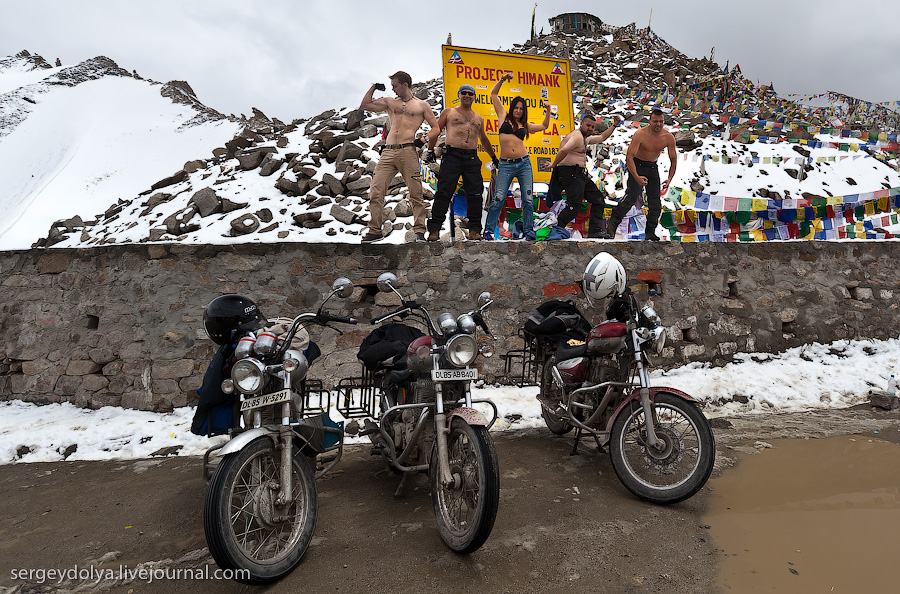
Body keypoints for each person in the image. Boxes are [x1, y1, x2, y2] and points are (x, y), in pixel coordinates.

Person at [359, 71, 438, 243]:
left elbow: (436, 128)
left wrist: (423, 139)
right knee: (376, 190)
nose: (392, 89)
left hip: (408, 150)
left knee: (415, 193)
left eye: (395, 85)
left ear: (405, 85)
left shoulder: (421, 105)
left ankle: (419, 232)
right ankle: (375, 230)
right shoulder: (390, 102)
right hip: (388, 151)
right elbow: (364, 105)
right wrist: (373, 88)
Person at [424, 84, 499, 241]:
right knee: (444, 192)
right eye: (464, 93)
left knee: (475, 195)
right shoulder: (449, 112)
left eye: (470, 93)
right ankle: (434, 230)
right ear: (459, 95)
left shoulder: (478, 118)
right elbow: (436, 131)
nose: (467, 95)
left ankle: (474, 230)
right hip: (452, 155)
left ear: (474, 97)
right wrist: (430, 150)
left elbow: (484, 139)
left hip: (471, 157)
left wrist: (494, 158)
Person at [482, 73, 551, 240]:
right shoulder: (503, 116)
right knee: (498, 198)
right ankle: (488, 231)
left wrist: (548, 109)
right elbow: (493, 94)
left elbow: (544, 125)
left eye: (521, 108)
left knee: (528, 199)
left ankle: (528, 230)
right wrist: (503, 79)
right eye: (516, 107)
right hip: (505, 164)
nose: (518, 111)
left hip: (524, 164)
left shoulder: (525, 125)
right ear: (512, 107)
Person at [606, 108, 677, 241]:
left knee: (655, 203)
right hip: (636, 165)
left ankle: (650, 231)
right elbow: (629, 157)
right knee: (631, 198)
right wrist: (636, 177)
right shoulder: (640, 134)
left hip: (652, 167)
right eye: (655, 121)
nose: (658, 125)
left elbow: (673, 159)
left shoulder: (668, 137)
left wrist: (669, 179)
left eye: (661, 122)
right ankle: (613, 223)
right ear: (649, 121)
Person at [549, 113, 621, 238]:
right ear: (581, 123)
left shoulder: (584, 138)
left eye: (592, 127)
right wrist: (553, 164)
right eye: (588, 125)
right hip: (570, 173)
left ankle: (594, 231)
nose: (590, 129)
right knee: (574, 206)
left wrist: (614, 125)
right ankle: (556, 229)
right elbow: (564, 150)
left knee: (598, 199)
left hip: (579, 175)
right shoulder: (576, 136)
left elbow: (602, 137)